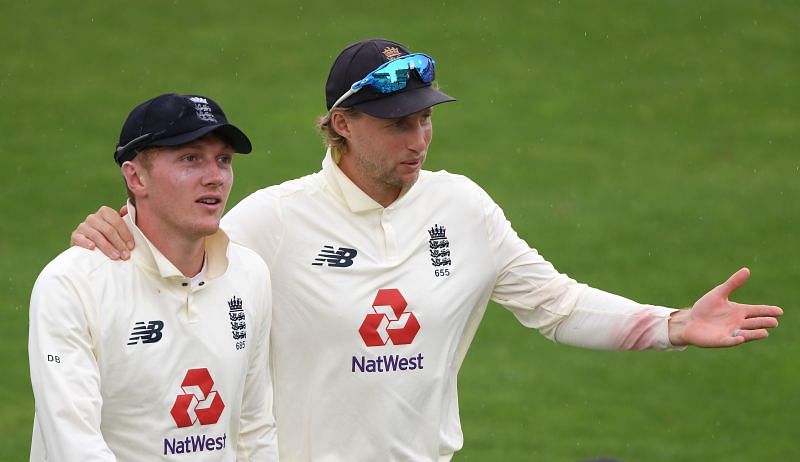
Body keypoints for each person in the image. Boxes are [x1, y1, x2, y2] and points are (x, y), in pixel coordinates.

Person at [70, 40, 782, 461]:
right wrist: (109, 234)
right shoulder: (275, 221)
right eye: (395, 123)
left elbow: (554, 304)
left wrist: (671, 325)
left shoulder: (461, 208)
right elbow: (167, 270)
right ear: (340, 125)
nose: (417, 138)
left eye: (424, 119)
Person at [30, 93, 279, 461]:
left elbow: (253, 429)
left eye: (223, 160)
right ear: (136, 177)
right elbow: (75, 445)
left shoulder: (249, 275)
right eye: (191, 158)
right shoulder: (71, 285)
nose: (215, 177)